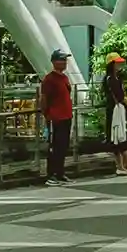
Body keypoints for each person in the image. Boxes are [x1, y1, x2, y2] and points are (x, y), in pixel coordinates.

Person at [39, 48, 76, 187]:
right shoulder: (49, 79)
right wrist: (47, 114)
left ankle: (60, 172)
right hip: (55, 117)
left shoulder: (64, 78)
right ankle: (52, 174)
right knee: (54, 146)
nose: (64, 62)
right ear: (55, 62)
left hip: (66, 116)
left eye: (65, 60)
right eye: (62, 60)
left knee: (63, 146)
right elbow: (44, 99)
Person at [102, 54, 127, 176]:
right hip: (115, 111)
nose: (119, 65)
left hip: (116, 111)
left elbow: (123, 93)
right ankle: (126, 165)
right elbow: (120, 97)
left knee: (119, 137)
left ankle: (123, 166)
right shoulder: (111, 79)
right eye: (117, 63)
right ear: (111, 64)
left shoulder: (115, 78)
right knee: (118, 137)